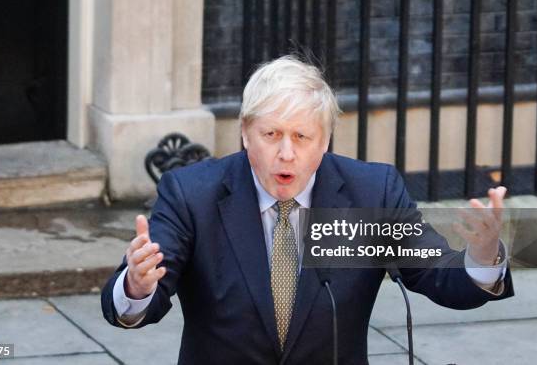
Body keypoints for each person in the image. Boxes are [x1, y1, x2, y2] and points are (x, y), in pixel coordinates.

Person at [101, 56, 514, 364]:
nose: (286, 153)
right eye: (271, 134)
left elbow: (437, 275)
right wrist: (137, 286)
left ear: (325, 139)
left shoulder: (371, 193)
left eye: (302, 136)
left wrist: (482, 257)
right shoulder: (193, 194)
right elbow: (139, 304)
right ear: (245, 133)